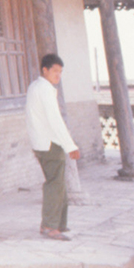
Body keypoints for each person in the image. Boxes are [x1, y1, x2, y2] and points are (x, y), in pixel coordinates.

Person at [25, 53, 80, 240]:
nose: (58, 75)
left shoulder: (35, 86)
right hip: (50, 143)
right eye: (55, 71)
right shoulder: (45, 89)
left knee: (58, 183)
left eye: (61, 72)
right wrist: (70, 145)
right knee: (54, 184)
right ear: (45, 70)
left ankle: (58, 224)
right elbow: (55, 120)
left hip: (41, 142)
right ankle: (50, 226)